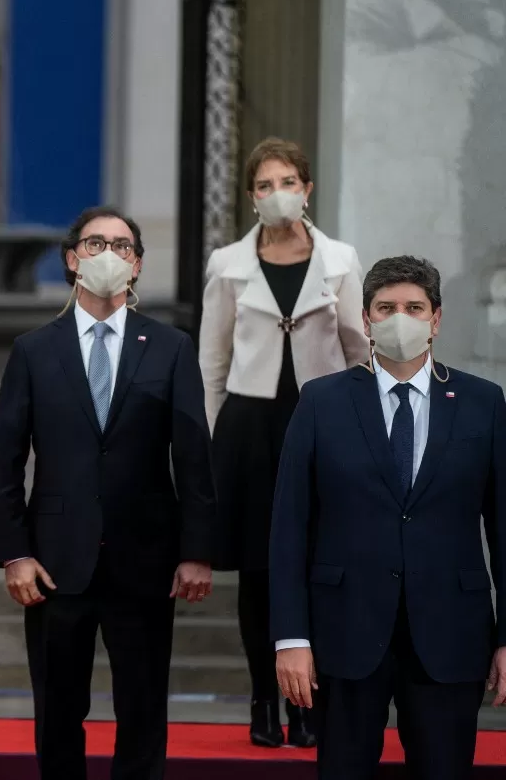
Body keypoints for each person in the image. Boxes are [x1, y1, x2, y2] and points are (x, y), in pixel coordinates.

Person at [0, 207, 216, 780]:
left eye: (121, 245)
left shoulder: (169, 348)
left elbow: (193, 458)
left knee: (142, 711)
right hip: (55, 564)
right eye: (95, 243)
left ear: (136, 263)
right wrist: (14, 553)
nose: (108, 254)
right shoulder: (34, 350)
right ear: (72, 259)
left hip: (146, 561)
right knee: (59, 710)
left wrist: (196, 550)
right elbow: (6, 463)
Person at [271, 255, 506, 780]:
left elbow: (504, 529)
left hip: (452, 633)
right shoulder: (320, 402)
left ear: (436, 318)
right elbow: (289, 527)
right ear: (367, 317)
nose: (401, 317)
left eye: (414, 307)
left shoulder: (483, 403)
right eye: (387, 307)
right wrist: (291, 637)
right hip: (344, 632)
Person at [197, 137, 369, 748]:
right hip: (248, 426)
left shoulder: (341, 260)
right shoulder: (227, 264)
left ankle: (309, 701)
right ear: (251, 197)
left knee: (320, 561)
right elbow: (212, 363)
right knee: (259, 570)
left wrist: (364, 431)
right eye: (265, 185)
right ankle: (263, 698)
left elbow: (358, 348)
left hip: (321, 422)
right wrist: (213, 440)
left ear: (308, 188)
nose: (277, 194)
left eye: (288, 182)